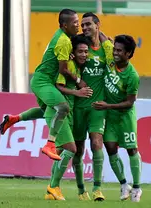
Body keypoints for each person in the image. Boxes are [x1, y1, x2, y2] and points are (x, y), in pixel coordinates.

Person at [0, 9, 85, 161]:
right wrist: (78, 82)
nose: (78, 26)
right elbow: (63, 69)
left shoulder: (62, 37)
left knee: (47, 111)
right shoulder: (64, 41)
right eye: (75, 23)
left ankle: (14, 119)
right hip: (43, 82)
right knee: (63, 108)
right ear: (65, 25)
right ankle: (50, 144)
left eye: (78, 22)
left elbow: (59, 57)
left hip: (42, 80)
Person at [92, 34, 143, 202]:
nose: (115, 53)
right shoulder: (110, 59)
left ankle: (136, 188)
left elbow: (129, 102)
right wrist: (96, 28)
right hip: (110, 116)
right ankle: (123, 184)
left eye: (119, 51)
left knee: (131, 150)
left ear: (128, 54)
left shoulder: (132, 76)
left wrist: (108, 106)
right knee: (111, 149)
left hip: (125, 117)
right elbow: (103, 37)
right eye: (115, 49)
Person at [44, 35, 92, 200]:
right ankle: (53, 187)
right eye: (80, 51)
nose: (84, 55)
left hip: (69, 112)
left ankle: (51, 190)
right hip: (62, 111)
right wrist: (77, 92)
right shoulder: (69, 64)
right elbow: (59, 86)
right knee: (71, 149)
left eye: (86, 52)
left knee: (61, 151)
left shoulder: (77, 66)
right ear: (73, 52)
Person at [71, 12, 108, 201]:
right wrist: (78, 82)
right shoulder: (79, 47)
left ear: (97, 25)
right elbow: (67, 68)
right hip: (78, 106)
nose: (84, 28)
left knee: (96, 143)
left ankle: (97, 188)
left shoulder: (107, 48)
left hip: (97, 106)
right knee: (77, 150)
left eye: (88, 24)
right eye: (82, 25)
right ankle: (80, 190)